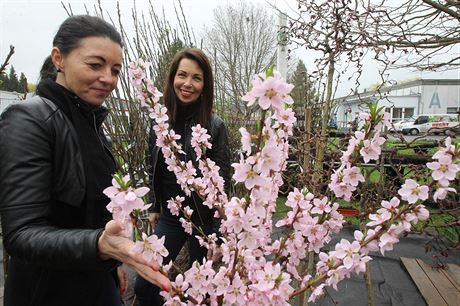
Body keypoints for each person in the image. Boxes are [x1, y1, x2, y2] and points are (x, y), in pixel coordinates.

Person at [0, 15, 169, 306]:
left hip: (96, 278)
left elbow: (98, 209)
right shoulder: (29, 121)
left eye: (115, 70)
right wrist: (99, 246)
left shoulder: (91, 123)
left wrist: (112, 261)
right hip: (49, 291)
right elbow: (21, 233)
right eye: (95, 65)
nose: (108, 78)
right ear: (59, 58)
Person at [134, 48, 231, 305]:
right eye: (182, 75)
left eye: (196, 78)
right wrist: (155, 203)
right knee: (145, 282)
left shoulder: (215, 126)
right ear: (172, 79)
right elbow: (151, 162)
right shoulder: (158, 121)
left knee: (203, 290)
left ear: (205, 85)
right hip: (172, 215)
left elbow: (223, 184)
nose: (188, 84)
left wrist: (218, 236)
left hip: (205, 221)